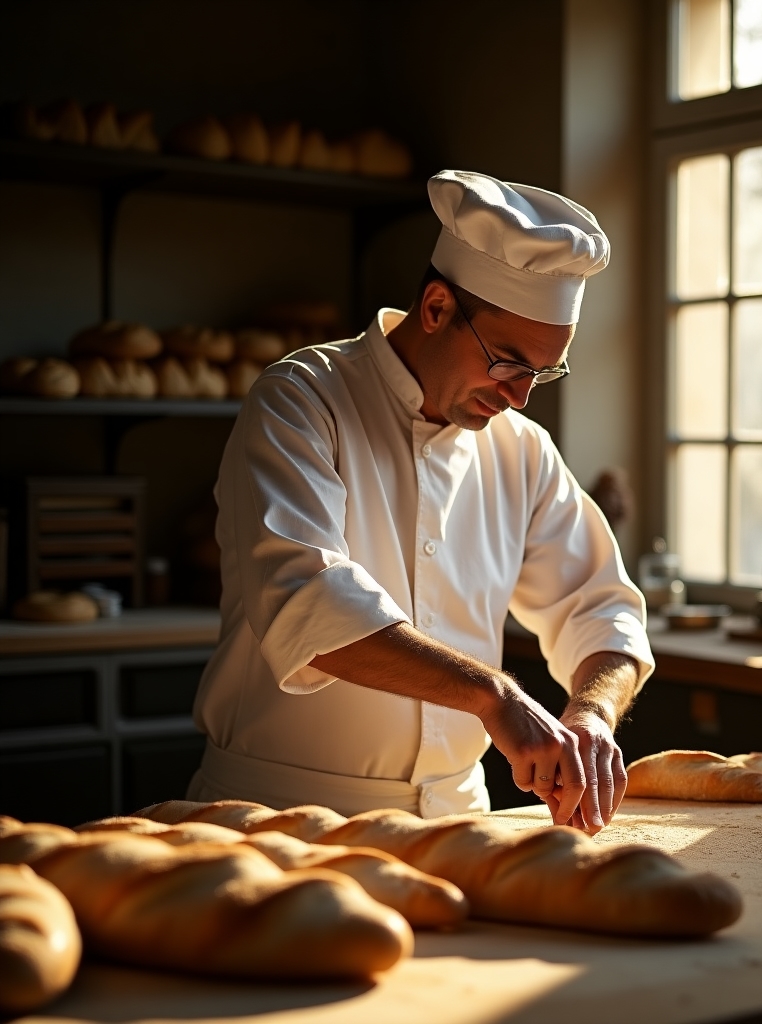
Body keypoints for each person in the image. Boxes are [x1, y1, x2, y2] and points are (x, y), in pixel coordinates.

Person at [189, 169, 654, 834]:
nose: (522, 396)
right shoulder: (301, 401)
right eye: (508, 363)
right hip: (279, 821)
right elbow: (306, 602)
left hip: (460, 825)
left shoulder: (520, 450)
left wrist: (592, 713)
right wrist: (493, 696)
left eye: (542, 372)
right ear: (435, 308)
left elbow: (602, 606)